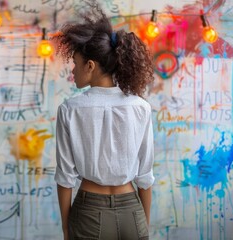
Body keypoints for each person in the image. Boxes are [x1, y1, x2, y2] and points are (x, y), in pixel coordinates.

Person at [52, 1, 155, 240]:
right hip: (132, 210)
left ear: (90, 65)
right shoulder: (141, 107)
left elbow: (65, 178)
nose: (73, 71)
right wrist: (142, 224)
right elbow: (145, 176)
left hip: (89, 212)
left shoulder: (70, 109)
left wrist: (67, 229)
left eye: (75, 64)